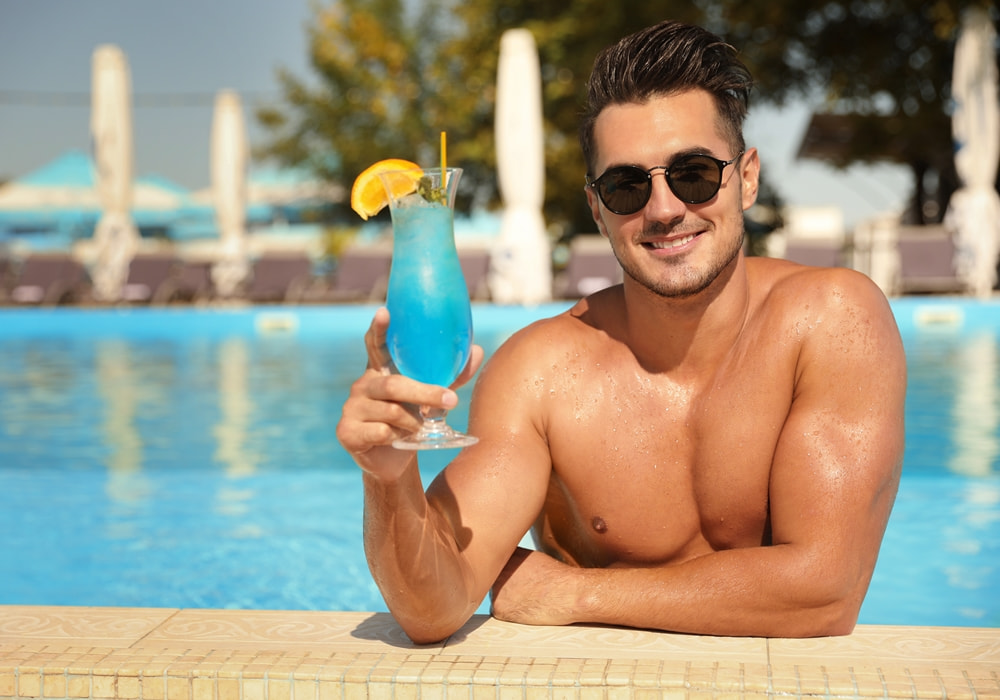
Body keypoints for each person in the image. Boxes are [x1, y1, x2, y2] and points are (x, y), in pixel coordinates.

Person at [336, 20, 906, 644]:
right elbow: (431, 608)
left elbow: (823, 593)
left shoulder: (832, 320)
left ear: (745, 178)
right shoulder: (541, 373)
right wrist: (389, 481)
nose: (663, 209)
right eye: (627, 185)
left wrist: (576, 591)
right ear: (596, 207)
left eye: (692, 173)